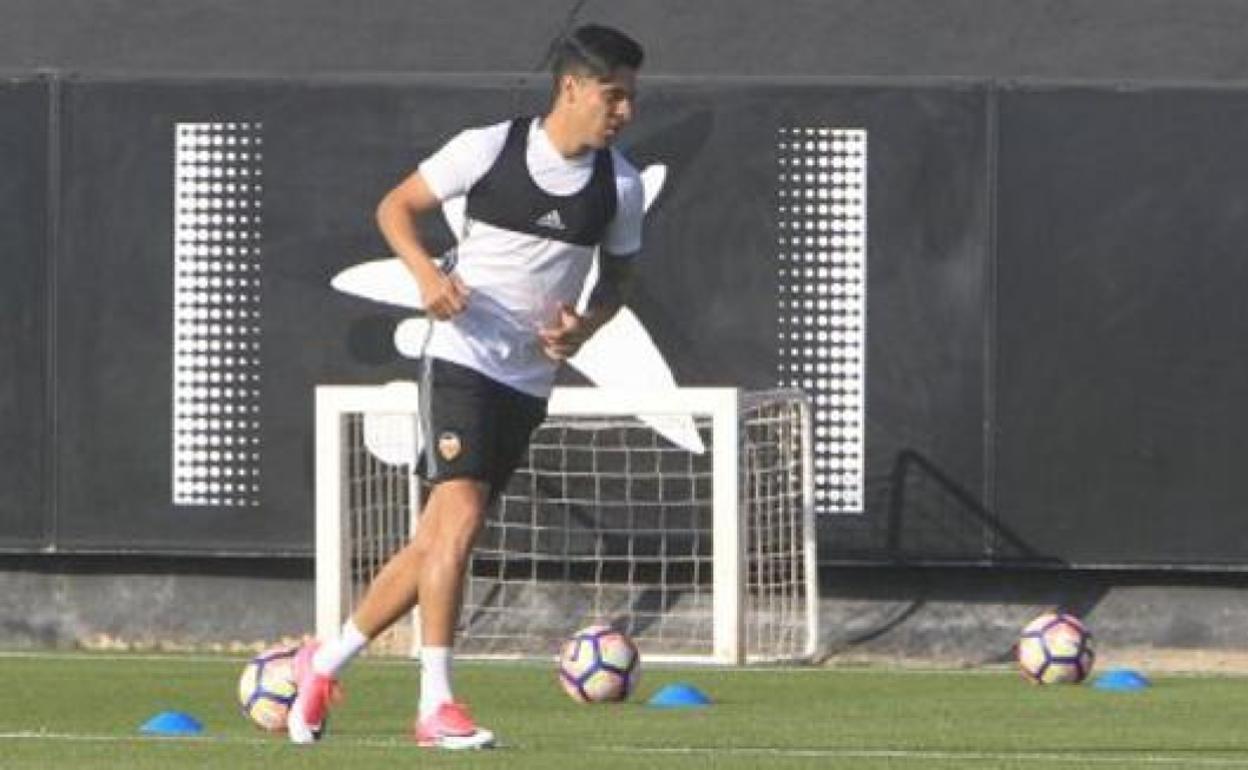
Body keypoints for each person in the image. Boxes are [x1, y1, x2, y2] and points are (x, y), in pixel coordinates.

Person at [286, 24, 646, 749]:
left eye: (632, 99)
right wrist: (427, 276)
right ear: (571, 88)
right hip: (460, 359)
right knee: (458, 523)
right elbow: (395, 208)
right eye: (614, 96)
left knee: (433, 545)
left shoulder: (621, 184)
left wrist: (586, 328)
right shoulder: (488, 149)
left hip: (528, 379)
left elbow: (620, 281)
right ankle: (436, 705)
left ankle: (322, 667)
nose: (625, 113)